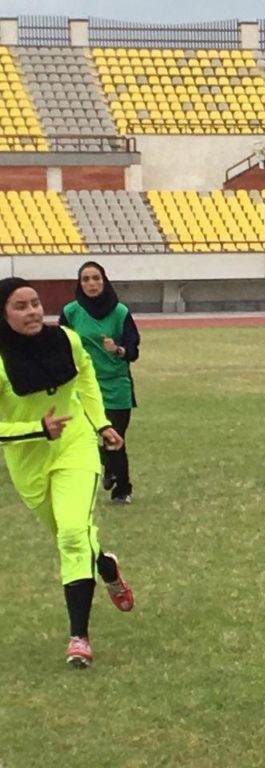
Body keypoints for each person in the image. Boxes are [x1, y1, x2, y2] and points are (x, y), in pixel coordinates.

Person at [0, 277, 134, 668]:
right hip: (28, 463)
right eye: (20, 306)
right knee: (70, 536)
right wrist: (35, 429)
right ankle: (106, 566)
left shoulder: (66, 340)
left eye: (36, 303)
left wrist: (101, 423)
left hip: (74, 448)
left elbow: (86, 380)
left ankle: (79, 638)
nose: (33, 312)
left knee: (73, 535)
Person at [59, 261, 140, 504]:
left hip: (116, 384)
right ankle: (108, 465)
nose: (91, 284)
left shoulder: (120, 312)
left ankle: (122, 490)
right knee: (86, 436)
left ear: (104, 280)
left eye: (96, 278)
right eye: (86, 279)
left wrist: (117, 350)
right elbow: (60, 346)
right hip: (83, 386)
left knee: (114, 438)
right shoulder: (71, 312)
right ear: (79, 283)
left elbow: (133, 351)